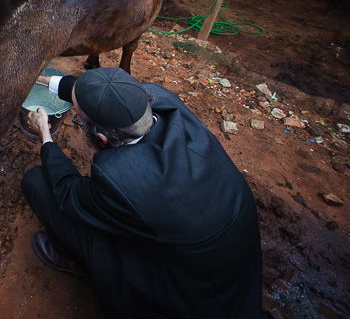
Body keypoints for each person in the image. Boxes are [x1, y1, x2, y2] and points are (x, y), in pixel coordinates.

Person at [22, 67, 262, 318]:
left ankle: (76, 259)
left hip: (189, 293)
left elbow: (67, 192)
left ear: (102, 137)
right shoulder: (164, 102)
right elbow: (92, 92)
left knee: (37, 182)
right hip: (234, 265)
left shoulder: (120, 177)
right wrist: (40, 78)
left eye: (79, 119)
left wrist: (46, 137)